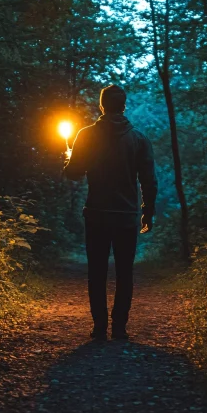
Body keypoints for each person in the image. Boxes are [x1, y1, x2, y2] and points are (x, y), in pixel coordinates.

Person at [64, 84, 157, 340]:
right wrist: (147, 211)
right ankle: (119, 328)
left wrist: (70, 155)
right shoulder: (139, 138)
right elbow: (149, 180)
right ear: (124, 106)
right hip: (126, 217)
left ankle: (99, 327)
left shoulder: (86, 135)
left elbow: (73, 174)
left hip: (96, 215)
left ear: (102, 106)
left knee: (97, 271)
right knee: (125, 272)